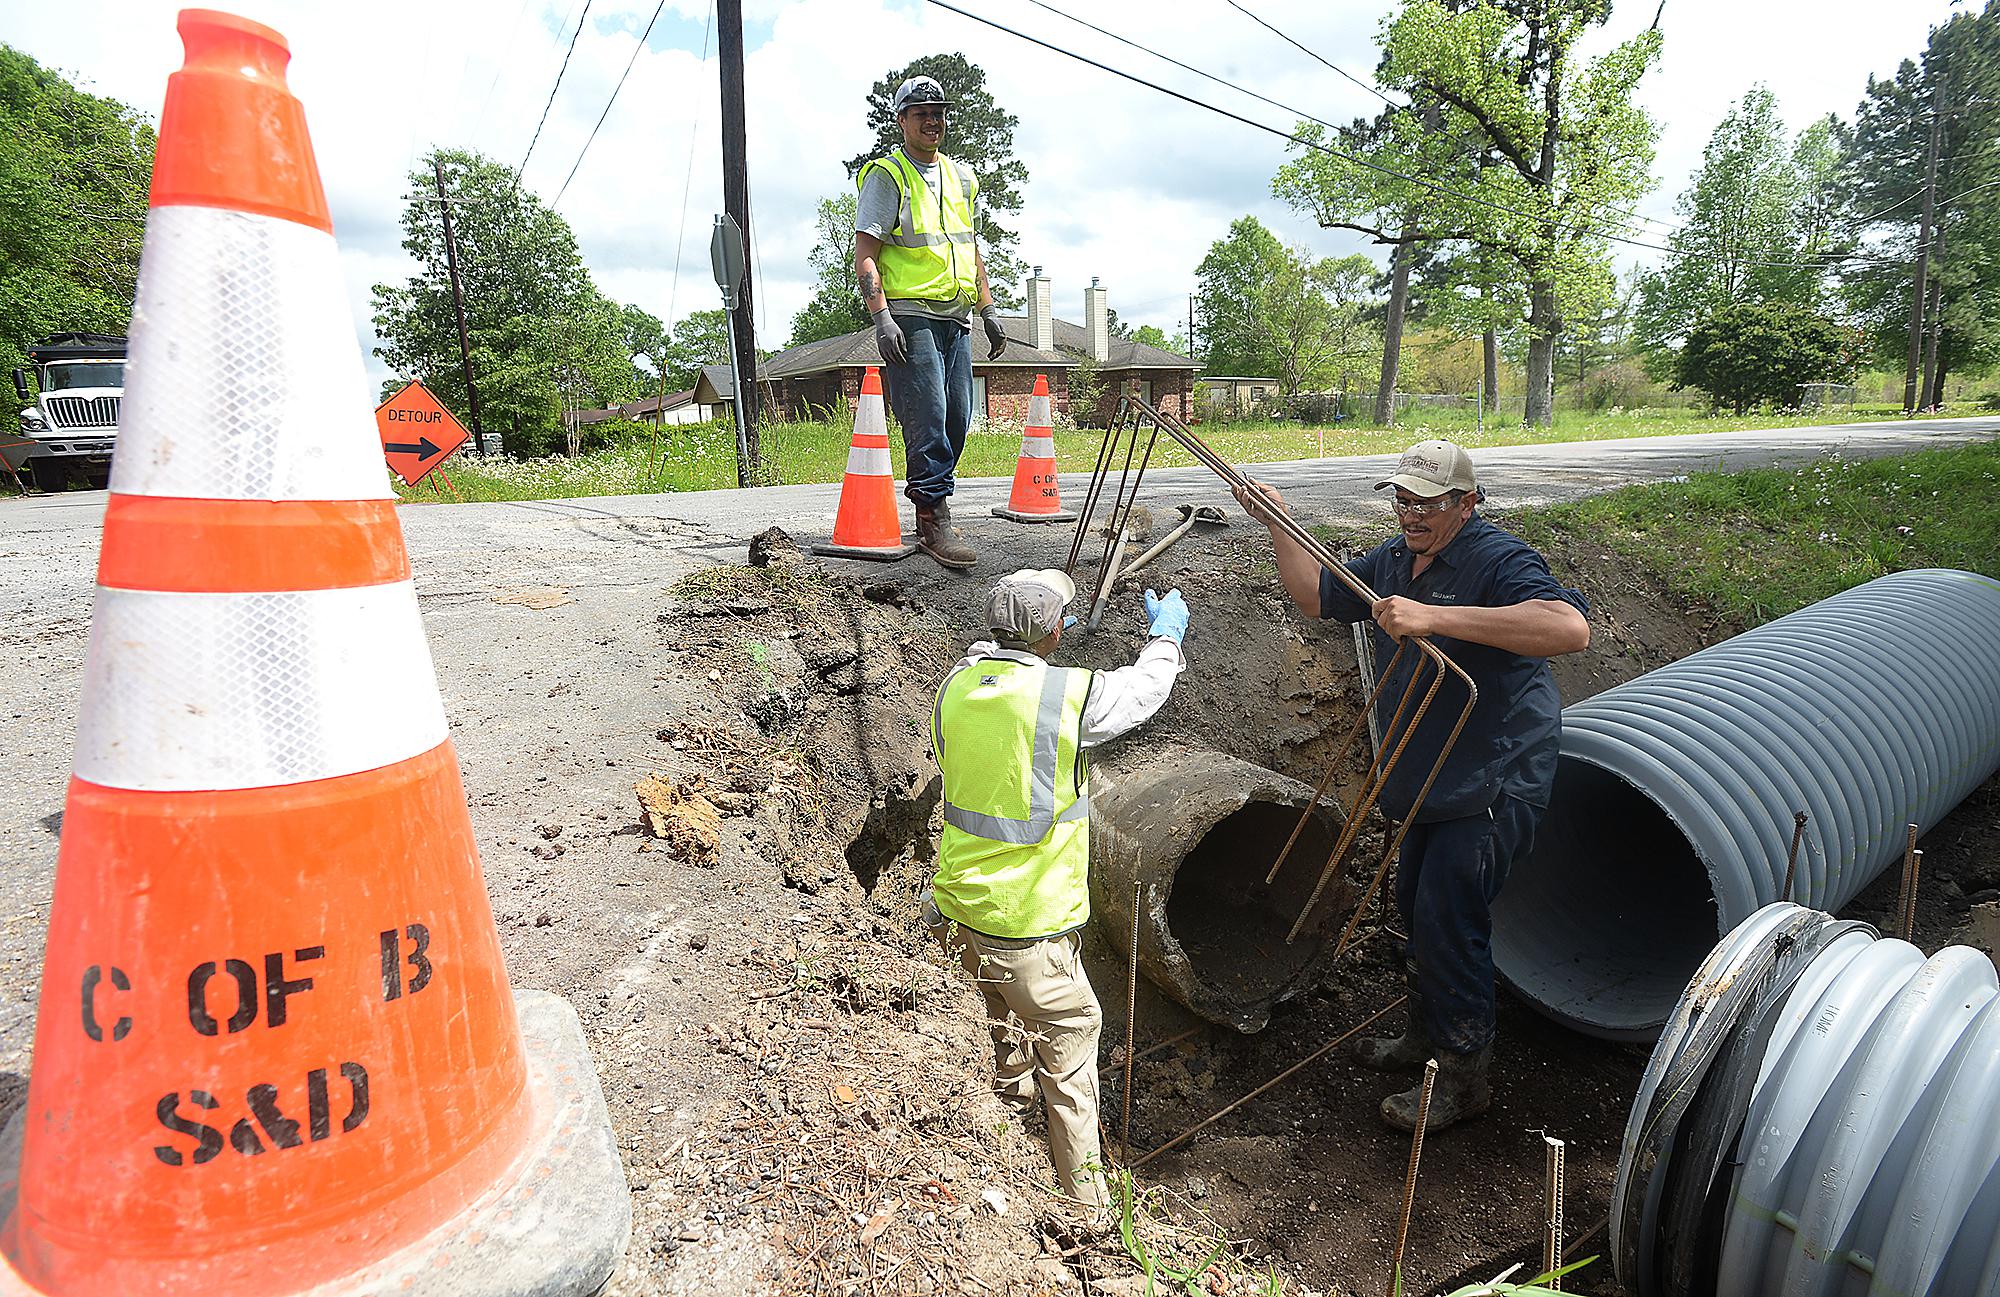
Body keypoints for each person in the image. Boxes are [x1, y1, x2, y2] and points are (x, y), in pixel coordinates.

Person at [1231, 440, 1590, 1133]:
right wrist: (1278, 522)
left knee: (1452, 917)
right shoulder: (1396, 559)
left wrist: (1436, 617)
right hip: (1431, 769)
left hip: (1494, 775)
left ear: (1467, 503)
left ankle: (1463, 1077)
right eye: (1402, 498)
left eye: (1427, 503)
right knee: (1415, 905)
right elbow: (1316, 595)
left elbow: (1567, 628)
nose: (1411, 513)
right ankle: (1425, 1041)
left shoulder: (1499, 559)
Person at [925, 570, 1190, 1206]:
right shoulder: (1063, 695)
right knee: (1074, 1032)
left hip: (960, 906)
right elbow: (1140, 691)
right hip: (1030, 918)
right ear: (1053, 631)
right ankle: (1087, 1204)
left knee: (1005, 1020)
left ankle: (1010, 1126)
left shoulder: (958, 685)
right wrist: (1167, 638)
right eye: (1063, 620)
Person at [854, 75, 1010, 572]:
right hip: (911, 315)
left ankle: (934, 505)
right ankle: (932, 517)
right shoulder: (888, 175)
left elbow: (970, 249)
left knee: (958, 417)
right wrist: (882, 317)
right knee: (928, 417)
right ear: (901, 120)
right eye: (920, 112)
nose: (932, 120)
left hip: (957, 316)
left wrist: (988, 310)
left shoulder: (962, 179)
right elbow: (866, 255)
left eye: (938, 111)